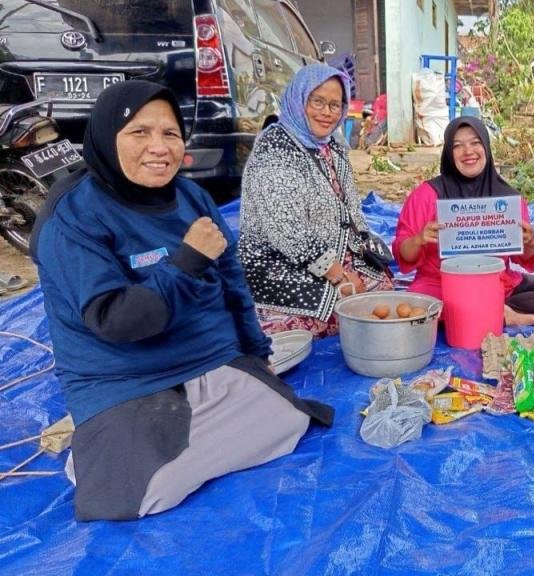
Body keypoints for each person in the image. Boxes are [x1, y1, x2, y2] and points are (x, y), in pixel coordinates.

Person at [30, 80, 333, 521]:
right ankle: (108, 454)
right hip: (127, 378)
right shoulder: (74, 217)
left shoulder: (191, 197)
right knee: (147, 493)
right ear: (107, 137)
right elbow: (116, 321)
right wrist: (186, 263)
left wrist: (256, 352)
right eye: (140, 132)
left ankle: (164, 446)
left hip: (208, 359)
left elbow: (232, 282)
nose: (159, 147)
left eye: (170, 133)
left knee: (289, 419)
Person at [238, 63, 392, 337]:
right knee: (340, 311)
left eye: (335, 105)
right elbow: (286, 231)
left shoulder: (331, 145)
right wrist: (338, 275)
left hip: (332, 248)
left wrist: (363, 246)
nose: (327, 112)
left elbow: (351, 206)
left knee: (381, 292)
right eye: (317, 101)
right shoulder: (275, 150)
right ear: (299, 99)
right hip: (278, 262)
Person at [393, 116, 534, 328]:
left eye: (475, 142)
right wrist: (418, 240)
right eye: (458, 145)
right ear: (448, 153)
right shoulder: (427, 195)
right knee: (419, 307)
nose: (468, 151)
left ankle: (482, 311)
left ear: (486, 147)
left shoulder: (507, 198)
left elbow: (525, 256)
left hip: (497, 283)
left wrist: (530, 242)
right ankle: (496, 313)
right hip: (441, 285)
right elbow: (403, 254)